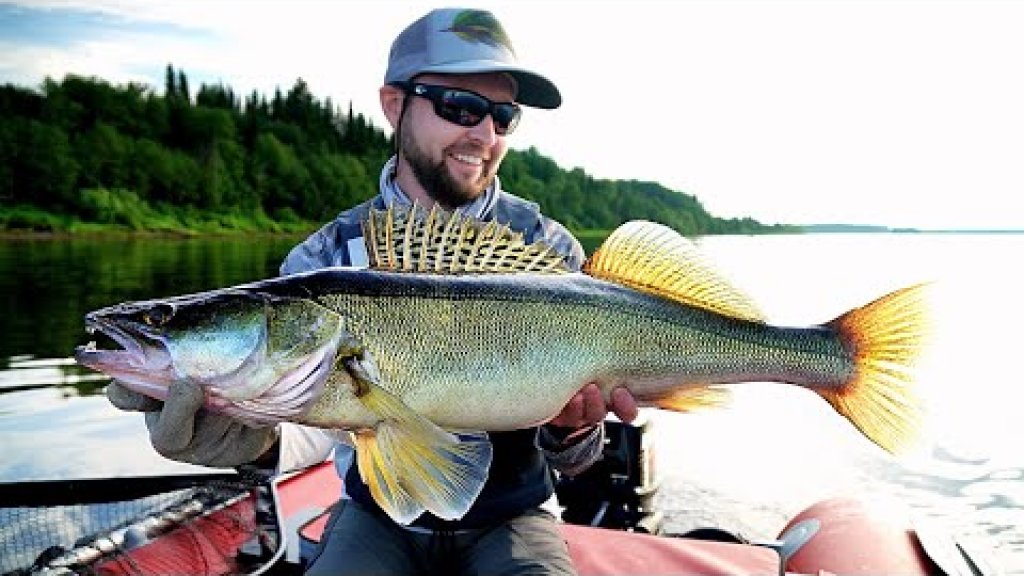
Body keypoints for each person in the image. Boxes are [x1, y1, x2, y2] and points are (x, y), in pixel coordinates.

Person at [107, 7, 637, 576]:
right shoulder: (320, 263)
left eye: (504, 115)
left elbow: (580, 460)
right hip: (378, 516)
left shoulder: (551, 253)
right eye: (460, 107)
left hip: (514, 517)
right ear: (394, 104)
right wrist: (250, 443)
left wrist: (573, 429)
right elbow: (313, 428)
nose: (483, 134)